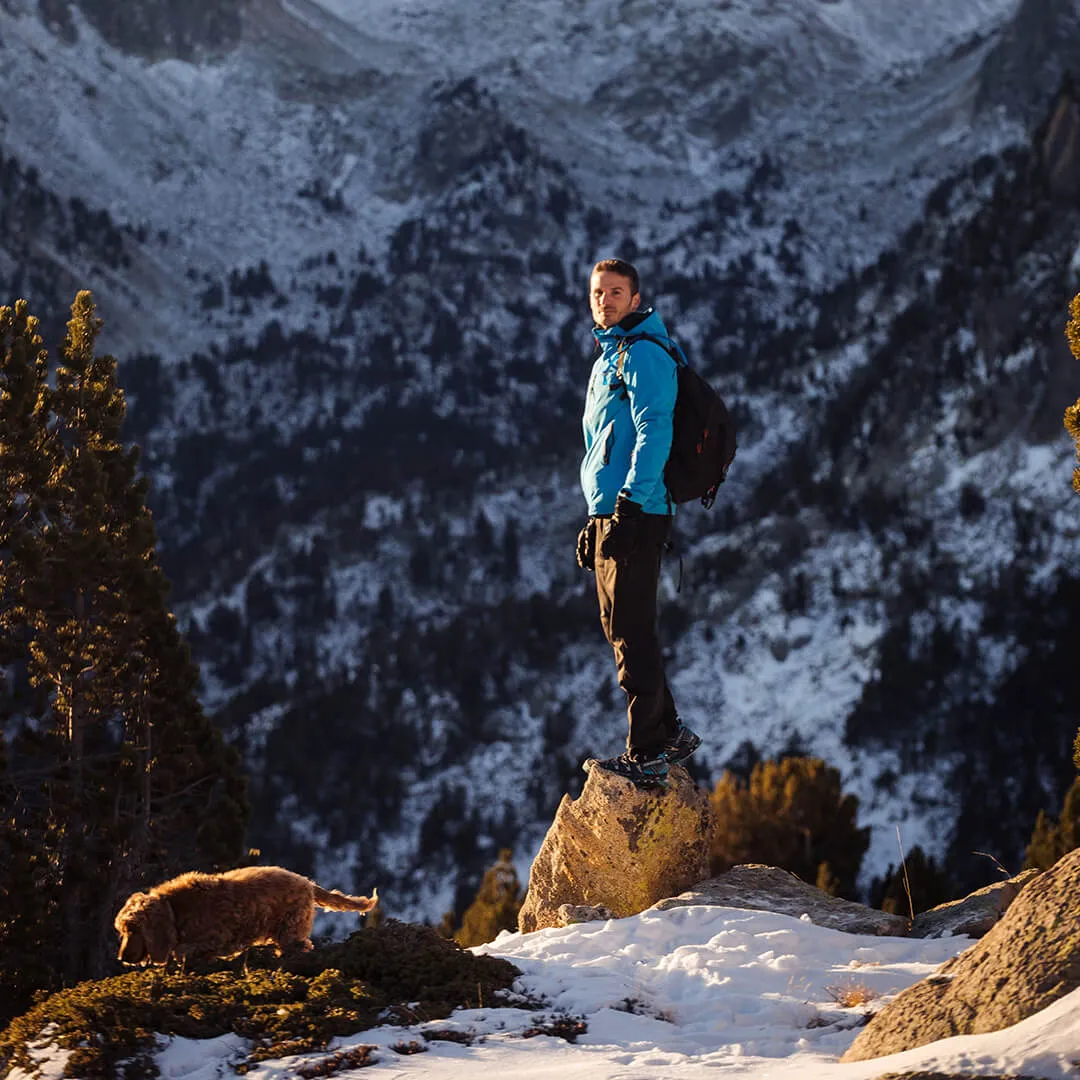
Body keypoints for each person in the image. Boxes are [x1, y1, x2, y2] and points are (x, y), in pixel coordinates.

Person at [576, 258, 701, 788]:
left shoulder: (645, 355)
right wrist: (595, 517)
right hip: (614, 511)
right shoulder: (609, 358)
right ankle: (668, 731)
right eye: (599, 292)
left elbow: (656, 434)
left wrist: (629, 504)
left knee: (631, 631)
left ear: (635, 298)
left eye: (616, 292)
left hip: (639, 510)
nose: (605, 300)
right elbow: (601, 444)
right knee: (619, 629)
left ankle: (648, 750)